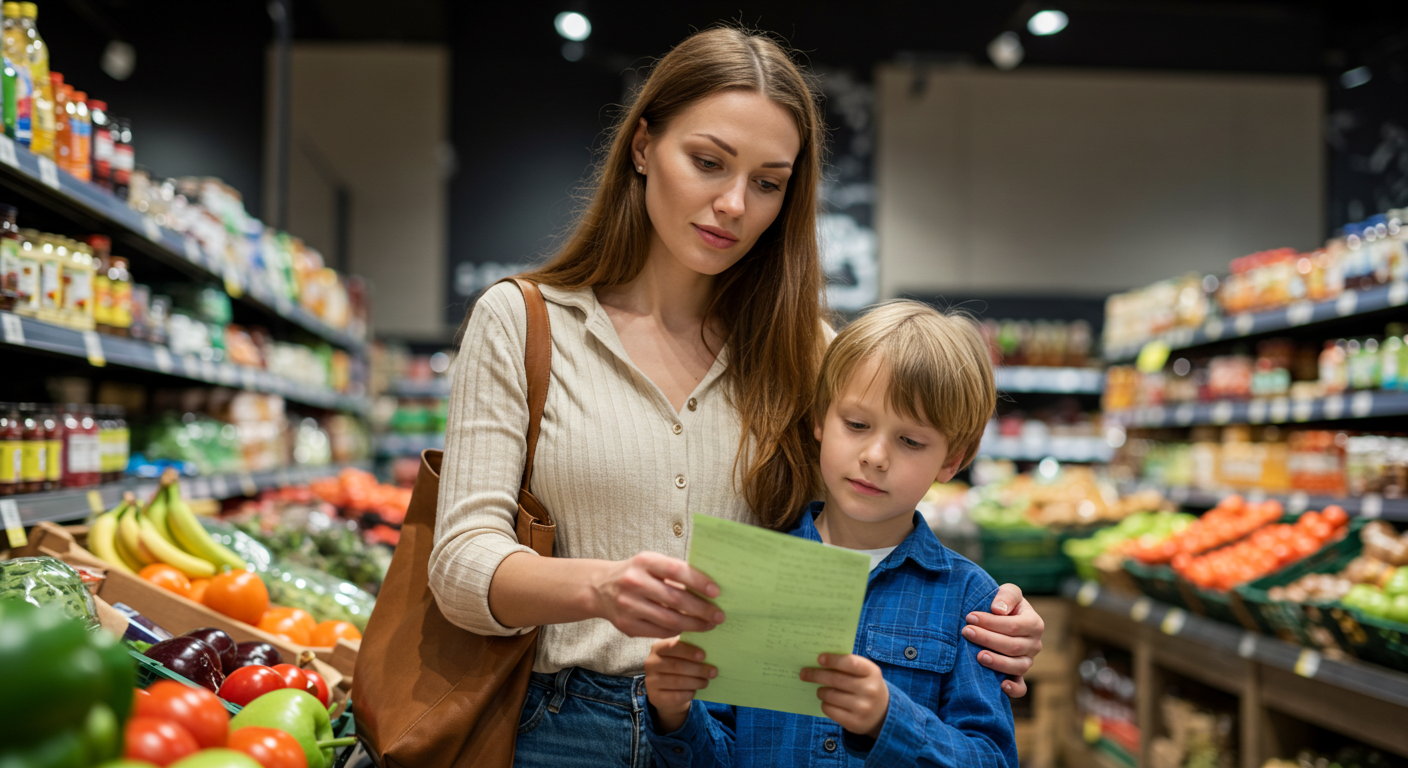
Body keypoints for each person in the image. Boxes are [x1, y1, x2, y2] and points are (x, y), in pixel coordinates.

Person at [430, 26, 1044, 767]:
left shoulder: (805, 349)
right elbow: (459, 565)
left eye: (768, 182)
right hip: (554, 728)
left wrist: (989, 613)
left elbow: (867, 516)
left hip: (743, 734)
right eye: (708, 161)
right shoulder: (524, 321)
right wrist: (598, 587)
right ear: (642, 146)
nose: (732, 204)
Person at [642, 301, 1016, 767]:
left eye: (911, 441)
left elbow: (991, 758)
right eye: (856, 425)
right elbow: (716, 753)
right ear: (820, 418)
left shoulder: (969, 600)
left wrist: (888, 719)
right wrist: (674, 714)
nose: (876, 455)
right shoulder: (754, 573)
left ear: (952, 460)